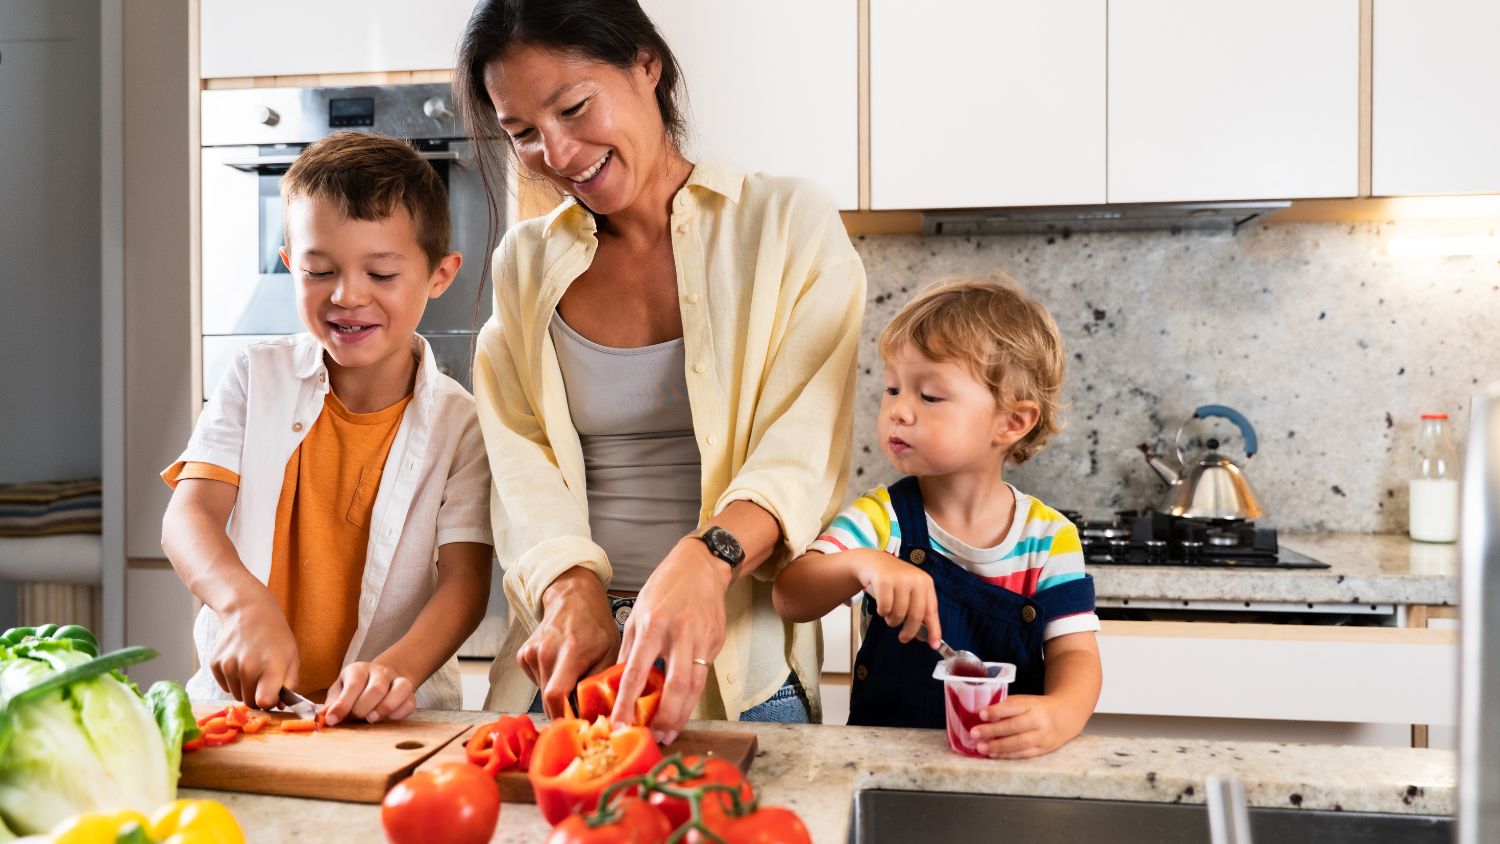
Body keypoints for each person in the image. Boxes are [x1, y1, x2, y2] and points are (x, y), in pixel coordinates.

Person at [455, 0, 866, 741]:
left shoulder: (787, 224)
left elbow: (802, 451)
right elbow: (522, 462)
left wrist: (708, 561)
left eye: (573, 107)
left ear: (646, 64)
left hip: (736, 669)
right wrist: (569, 585)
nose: (556, 151)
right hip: (563, 665)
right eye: (521, 133)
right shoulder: (524, 264)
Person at [160, 132, 494, 724]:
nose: (347, 296)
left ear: (440, 275)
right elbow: (190, 516)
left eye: (382, 274)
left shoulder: (461, 424)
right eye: (319, 271)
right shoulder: (253, 376)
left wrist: (399, 669)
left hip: (390, 714)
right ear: (290, 264)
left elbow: (465, 584)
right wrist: (241, 604)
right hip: (239, 707)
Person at [772, 277, 1103, 758]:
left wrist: (1061, 714)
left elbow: (1076, 653)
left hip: (1007, 767)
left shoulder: (1049, 539)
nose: (898, 411)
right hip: (882, 766)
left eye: (929, 396)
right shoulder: (882, 518)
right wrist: (862, 563)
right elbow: (791, 596)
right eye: (891, 389)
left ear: (1012, 422)